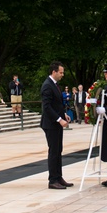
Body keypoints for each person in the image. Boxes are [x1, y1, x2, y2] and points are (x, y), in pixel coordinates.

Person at [40, 61, 73, 190]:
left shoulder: (55, 85)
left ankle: (58, 177)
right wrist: (59, 119)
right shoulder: (47, 86)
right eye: (60, 72)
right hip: (51, 124)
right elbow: (47, 107)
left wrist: (63, 114)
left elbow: (56, 104)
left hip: (57, 123)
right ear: (53, 72)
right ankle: (52, 180)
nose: (62, 75)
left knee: (58, 150)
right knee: (53, 151)